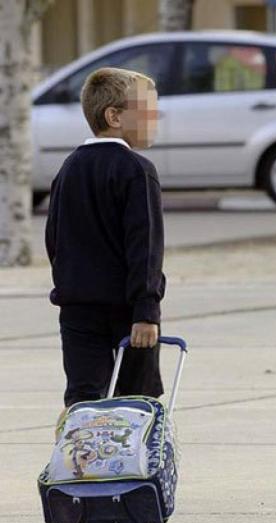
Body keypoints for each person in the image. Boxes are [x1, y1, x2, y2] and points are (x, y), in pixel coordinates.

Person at [46, 67, 166, 413]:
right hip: (128, 311)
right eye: (148, 111)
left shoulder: (68, 168)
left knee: (82, 397)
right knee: (135, 401)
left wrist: (69, 287)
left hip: (77, 308)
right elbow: (145, 247)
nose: (155, 118)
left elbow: (55, 239)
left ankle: (80, 461)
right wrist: (147, 310)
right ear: (114, 116)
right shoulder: (137, 170)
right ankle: (130, 466)